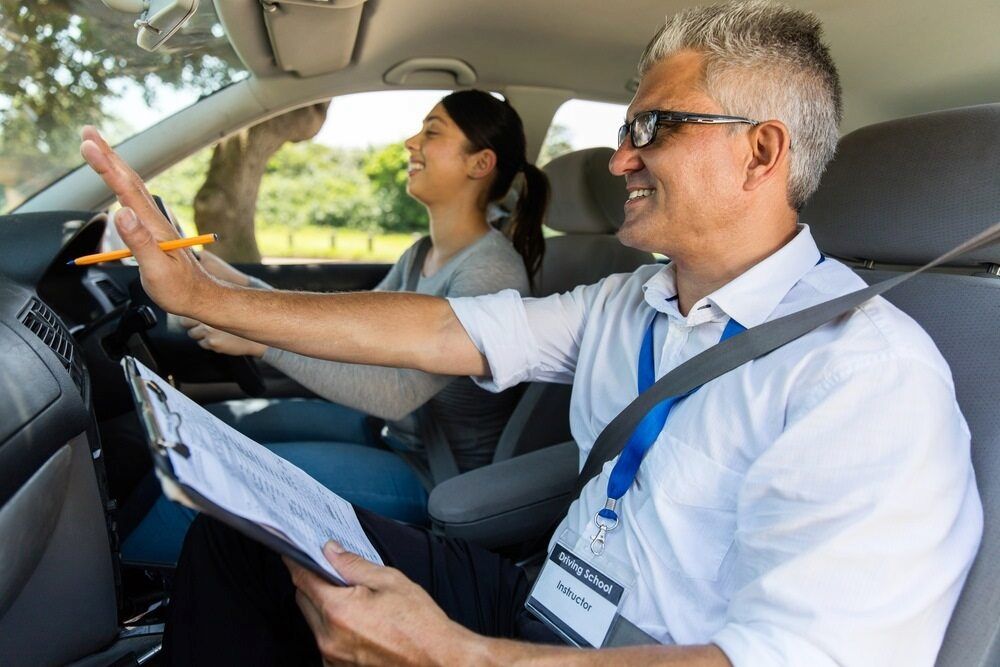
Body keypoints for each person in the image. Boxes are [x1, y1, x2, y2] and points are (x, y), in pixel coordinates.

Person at [82, 1, 983, 664]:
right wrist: (204, 295)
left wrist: (450, 653)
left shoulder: (864, 376)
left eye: (654, 128)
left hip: (634, 650)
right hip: (546, 602)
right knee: (241, 537)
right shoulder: (629, 301)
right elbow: (443, 330)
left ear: (761, 151)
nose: (620, 156)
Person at [120, 90, 550, 566]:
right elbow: (348, 329)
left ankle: (119, 590)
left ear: (480, 163)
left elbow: (397, 393)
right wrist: (234, 284)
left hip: (436, 470)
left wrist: (262, 340)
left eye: (432, 132)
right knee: (214, 432)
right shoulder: (422, 253)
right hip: (398, 436)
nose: (411, 143)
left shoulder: (490, 273)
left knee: (214, 478)